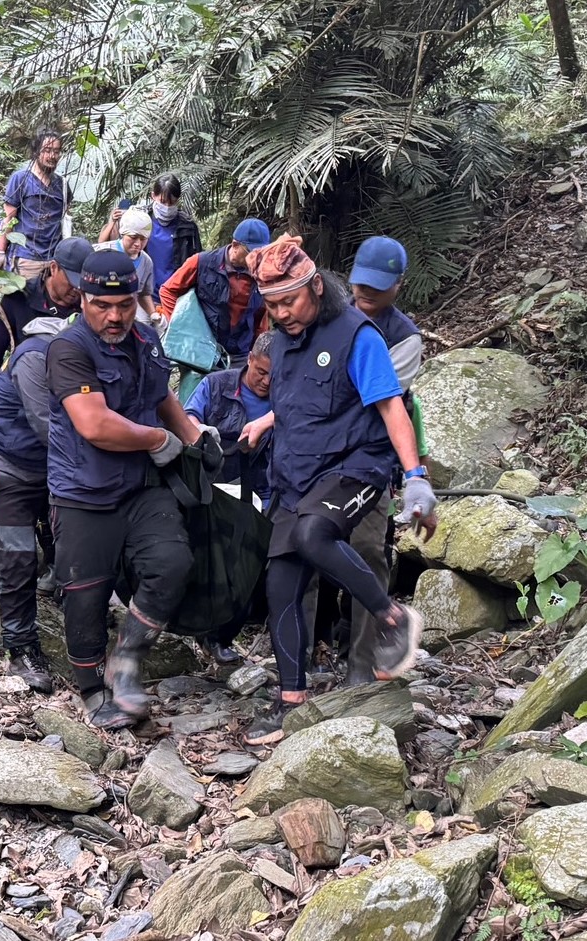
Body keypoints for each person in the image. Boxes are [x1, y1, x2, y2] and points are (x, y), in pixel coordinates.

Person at [239, 235, 438, 745]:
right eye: (273, 305)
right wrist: (265, 422)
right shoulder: (282, 339)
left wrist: (416, 477)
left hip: (355, 465)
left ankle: (392, 618)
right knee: (281, 586)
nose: (282, 313)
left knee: (315, 534)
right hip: (297, 473)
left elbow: (390, 406)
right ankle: (290, 701)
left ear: (315, 288)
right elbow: (298, 399)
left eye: (289, 301)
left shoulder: (357, 335)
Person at [46, 251, 221, 728]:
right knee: (85, 594)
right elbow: (95, 424)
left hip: (142, 486)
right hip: (83, 492)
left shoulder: (145, 338)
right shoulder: (68, 350)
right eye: (103, 305)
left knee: (172, 563)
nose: (115, 316)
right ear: (83, 299)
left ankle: (125, 660)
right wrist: (158, 440)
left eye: (124, 304)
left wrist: (193, 437)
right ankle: (91, 691)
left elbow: (160, 395)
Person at [0, 316, 71, 693]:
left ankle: (68, 598)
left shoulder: (73, 359)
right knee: (19, 556)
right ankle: (22, 648)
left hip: (41, 467)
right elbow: (48, 427)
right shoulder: (34, 359)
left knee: (70, 534)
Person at [338, 235, 426, 685]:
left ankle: (362, 663)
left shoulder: (405, 338)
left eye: (378, 285)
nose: (366, 292)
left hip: (369, 460)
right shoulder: (332, 312)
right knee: (302, 551)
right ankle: (297, 667)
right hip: (313, 455)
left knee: (368, 551)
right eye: (361, 283)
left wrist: (417, 475)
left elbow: (379, 399)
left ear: (398, 285)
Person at [183, 329, 274, 664]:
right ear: (249, 360)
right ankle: (196, 624)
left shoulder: (286, 396)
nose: (266, 382)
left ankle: (223, 636)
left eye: (274, 376)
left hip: (263, 490)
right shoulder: (217, 384)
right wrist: (201, 433)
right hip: (216, 487)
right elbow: (188, 417)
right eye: (261, 372)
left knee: (249, 566)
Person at [0, 236, 91, 396]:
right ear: (54, 268)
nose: (77, 289)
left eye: (82, 284)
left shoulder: (90, 304)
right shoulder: (20, 297)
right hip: (26, 386)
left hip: (75, 389)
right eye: (72, 282)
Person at [158, 218, 271, 366]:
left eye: (260, 253)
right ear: (235, 245)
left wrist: (259, 352)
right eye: (251, 252)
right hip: (202, 351)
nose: (255, 258)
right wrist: (182, 328)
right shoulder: (202, 262)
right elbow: (168, 290)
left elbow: (261, 316)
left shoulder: (261, 275)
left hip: (241, 351)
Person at [98, 173, 202, 302]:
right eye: (163, 201)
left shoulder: (188, 227)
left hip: (175, 297)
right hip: (141, 294)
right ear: (153, 196)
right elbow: (114, 249)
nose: (167, 207)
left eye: (172, 202)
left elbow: (196, 264)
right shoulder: (139, 221)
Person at [0, 128, 71, 279]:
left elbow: (66, 219)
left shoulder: (62, 184)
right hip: (25, 258)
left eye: (56, 151)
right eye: (47, 150)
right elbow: (9, 218)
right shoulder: (20, 179)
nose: (52, 156)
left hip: (54, 261)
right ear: (36, 152)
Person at [94, 207, 161, 326]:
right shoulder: (103, 253)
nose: (138, 244)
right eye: (133, 237)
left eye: (143, 239)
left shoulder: (146, 262)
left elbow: (143, 293)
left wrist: (153, 314)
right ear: (123, 233)